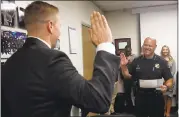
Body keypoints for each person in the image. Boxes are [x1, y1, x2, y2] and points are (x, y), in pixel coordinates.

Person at [2, 1, 120, 117]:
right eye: (60, 25)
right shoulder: (53, 60)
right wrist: (105, 45)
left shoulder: (10, 62)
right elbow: (99, 100)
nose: (60, 33)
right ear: (51, 26)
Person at [120, 37, 173, 117]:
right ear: (142, 46)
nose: (147, 47)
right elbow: (127, 76)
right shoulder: (136, 61)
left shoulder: (161, 61)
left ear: (155, 47)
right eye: (145, 45)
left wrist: (166, 86)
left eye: (150, 45)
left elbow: (169, 80)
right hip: (140, 97)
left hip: (156, 98)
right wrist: (123, 66)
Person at [160, 45, 176, 117]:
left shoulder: (172, 60)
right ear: (162, 51)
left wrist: (168, 80)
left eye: (166, 49)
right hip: (161, 81)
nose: (165, 51)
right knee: (163, 97)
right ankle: (163, 111)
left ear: (168, 50)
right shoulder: (159, 59)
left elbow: (173, 72)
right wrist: (162, 80)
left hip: (170, 81)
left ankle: (168, 113)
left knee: (169, 97)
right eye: (164, 49)